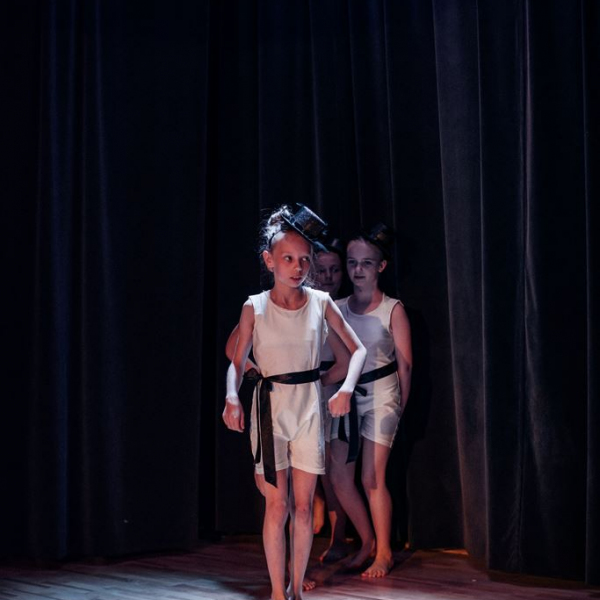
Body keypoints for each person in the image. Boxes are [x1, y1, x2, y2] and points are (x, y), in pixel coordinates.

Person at [223, 205, 366, 600]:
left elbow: (357, 351)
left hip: (308, 408)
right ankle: (277, 591)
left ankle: (296, 590)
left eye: (304, 259)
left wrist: (345, 389)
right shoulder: (255, 306)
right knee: (277, 504)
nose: (297, 266)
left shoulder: (321, 302)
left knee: (304, 507)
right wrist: (232, 396)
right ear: (269, 260)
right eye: (287, 258)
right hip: (270, 409)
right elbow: (235, 360)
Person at [329, 224, 412, 578]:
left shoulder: (392, 309)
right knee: (338, 476)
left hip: (382, 396)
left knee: (371, 477)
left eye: (365, 263)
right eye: (352, 262)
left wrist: (400, 408)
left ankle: (384, 553)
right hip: (346, 398)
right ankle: (365, 542)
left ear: (381, 266)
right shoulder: (337, 308)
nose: (357, 270)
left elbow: (405, 366)